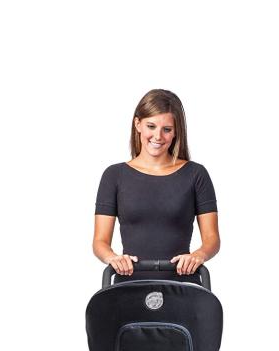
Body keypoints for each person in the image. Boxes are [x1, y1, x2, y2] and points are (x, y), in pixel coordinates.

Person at [93, 88, 220, 278]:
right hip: (130, 284)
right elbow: (100, 241)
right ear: (138, 124)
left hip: (182, 284)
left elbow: (212, 238)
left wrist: (198, 255)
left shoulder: (196, 174)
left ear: (176, 132)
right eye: (151, 126)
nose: (158, 136)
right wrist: (113, 258)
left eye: (166, 129)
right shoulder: (114, 175)